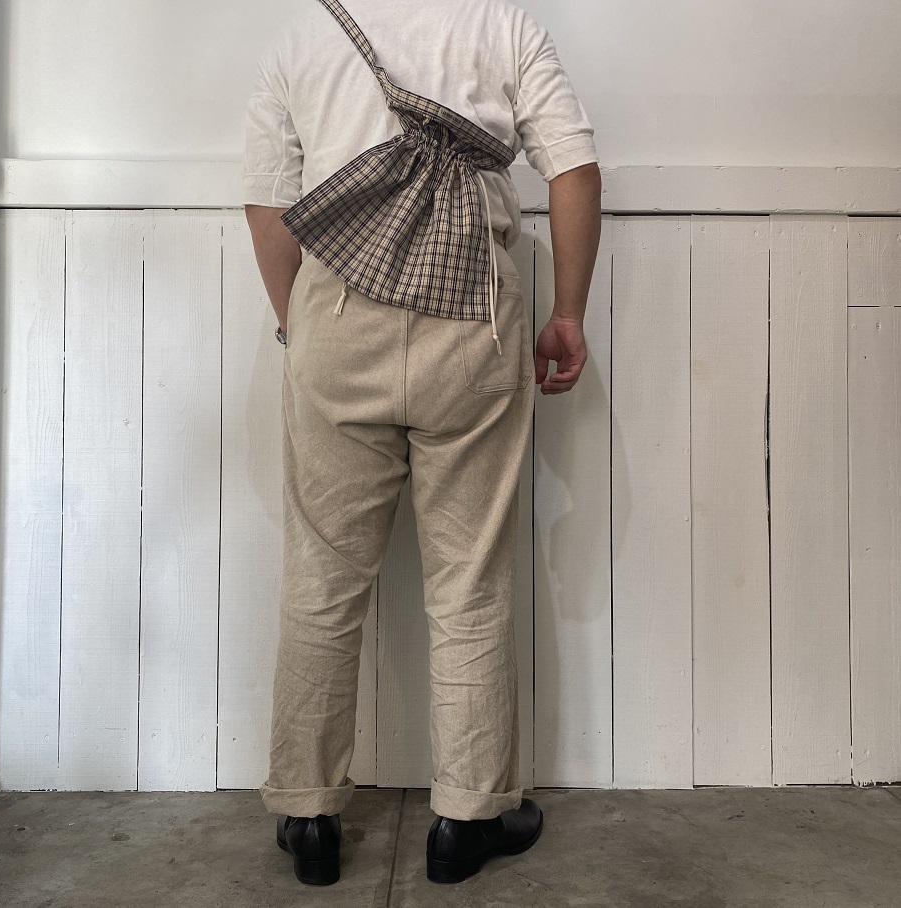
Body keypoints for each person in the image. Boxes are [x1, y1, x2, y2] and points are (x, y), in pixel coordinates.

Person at [242, 0, 602, 887]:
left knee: (322, 578)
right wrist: (566, 313)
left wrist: (299, 326)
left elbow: (268, 202)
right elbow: (574, 168)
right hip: (471, 324)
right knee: (469, 582)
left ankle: (309, 815)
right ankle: (466, 821)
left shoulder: (301, 34)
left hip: (338, 318)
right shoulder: (502, 24)